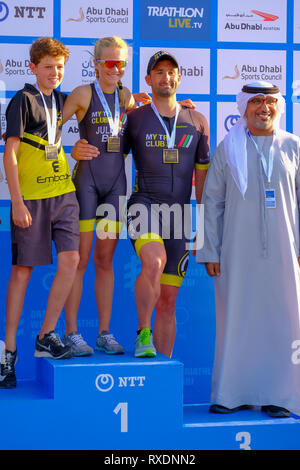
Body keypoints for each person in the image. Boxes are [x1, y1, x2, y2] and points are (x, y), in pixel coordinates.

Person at [197, 81, 300, 418]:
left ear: (278, 107)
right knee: (236, 321)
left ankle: (281, 396)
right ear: (243, 107)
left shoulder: (293, 147)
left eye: (269, 101)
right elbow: (212, 202)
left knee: (284, 322)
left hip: (287, 254)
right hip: (235, 254)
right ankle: (231, 393)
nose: (263, 108)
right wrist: (209, 249)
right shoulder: (229, 148)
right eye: (256, 102)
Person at [61, 36, 152, 356]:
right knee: (80, 261)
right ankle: (71, 332)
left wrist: (180, 108)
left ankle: (103, 332)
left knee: (104, 261)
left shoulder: (127, 97)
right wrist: (69, 150)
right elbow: (48, 130)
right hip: (86, 185)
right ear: (97, 64)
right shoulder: (83, 93)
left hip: (115, 187)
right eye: (110, 63)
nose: (116, 69)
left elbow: (151, 118)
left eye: (121, 64)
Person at [0, 37, 80, 389]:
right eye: (48, 67)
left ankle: (47, 334)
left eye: (60, 67)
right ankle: (9, 351)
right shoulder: (23, 99)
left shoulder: (64, 100)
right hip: (30, 199)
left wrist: (138, 101)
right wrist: (15, 201)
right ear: (33, 67)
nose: (55, 73)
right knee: (22, 272)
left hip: (63, 193)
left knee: (72, 260)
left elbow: (107, 105)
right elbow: (10, 154)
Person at [124, 51, 210, 358]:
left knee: (169, 301)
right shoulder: (134, 118)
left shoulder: (197, 120)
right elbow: (109, 157)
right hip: (143, 204)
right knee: (154, 262)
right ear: (149, 80)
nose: (166, 77)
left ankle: (161, 372)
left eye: (171, 72)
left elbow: (202, 178)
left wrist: (205, 226)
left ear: (179, 77)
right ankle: (142, 333)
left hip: (179, 216)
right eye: (159, 72)